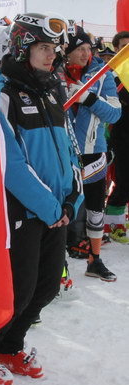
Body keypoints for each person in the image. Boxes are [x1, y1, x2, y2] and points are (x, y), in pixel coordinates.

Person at [0, 13, 82, 385]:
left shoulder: (53, 89)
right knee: (16, 289)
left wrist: (72, 197)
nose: (51, 55)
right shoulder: (3, 93)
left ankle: (11, 346)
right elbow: (10, 163)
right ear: (23, 47)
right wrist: (49, 207)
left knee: (45, 287)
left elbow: (70, 149)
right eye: (43, 48)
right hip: (22, 211)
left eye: (54, 49)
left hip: (55, 211)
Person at [63, 24, 120, 281]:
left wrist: (87, 99)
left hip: (93, 152)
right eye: (80, 49)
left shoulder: (103, 74)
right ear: (67, 51)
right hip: (62, 154)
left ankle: (94, 260)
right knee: (61, 210)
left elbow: (115, 114)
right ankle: (57, 266)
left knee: (95, 208)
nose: (86, 54)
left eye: (89, 48)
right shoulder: (55, 73)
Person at [105, 30, 129, 241]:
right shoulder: (112, 75)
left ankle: (120, 218)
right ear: (115, 50)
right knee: (124, 180)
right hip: (121, 136)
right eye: (123, 48)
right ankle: (112, 224)